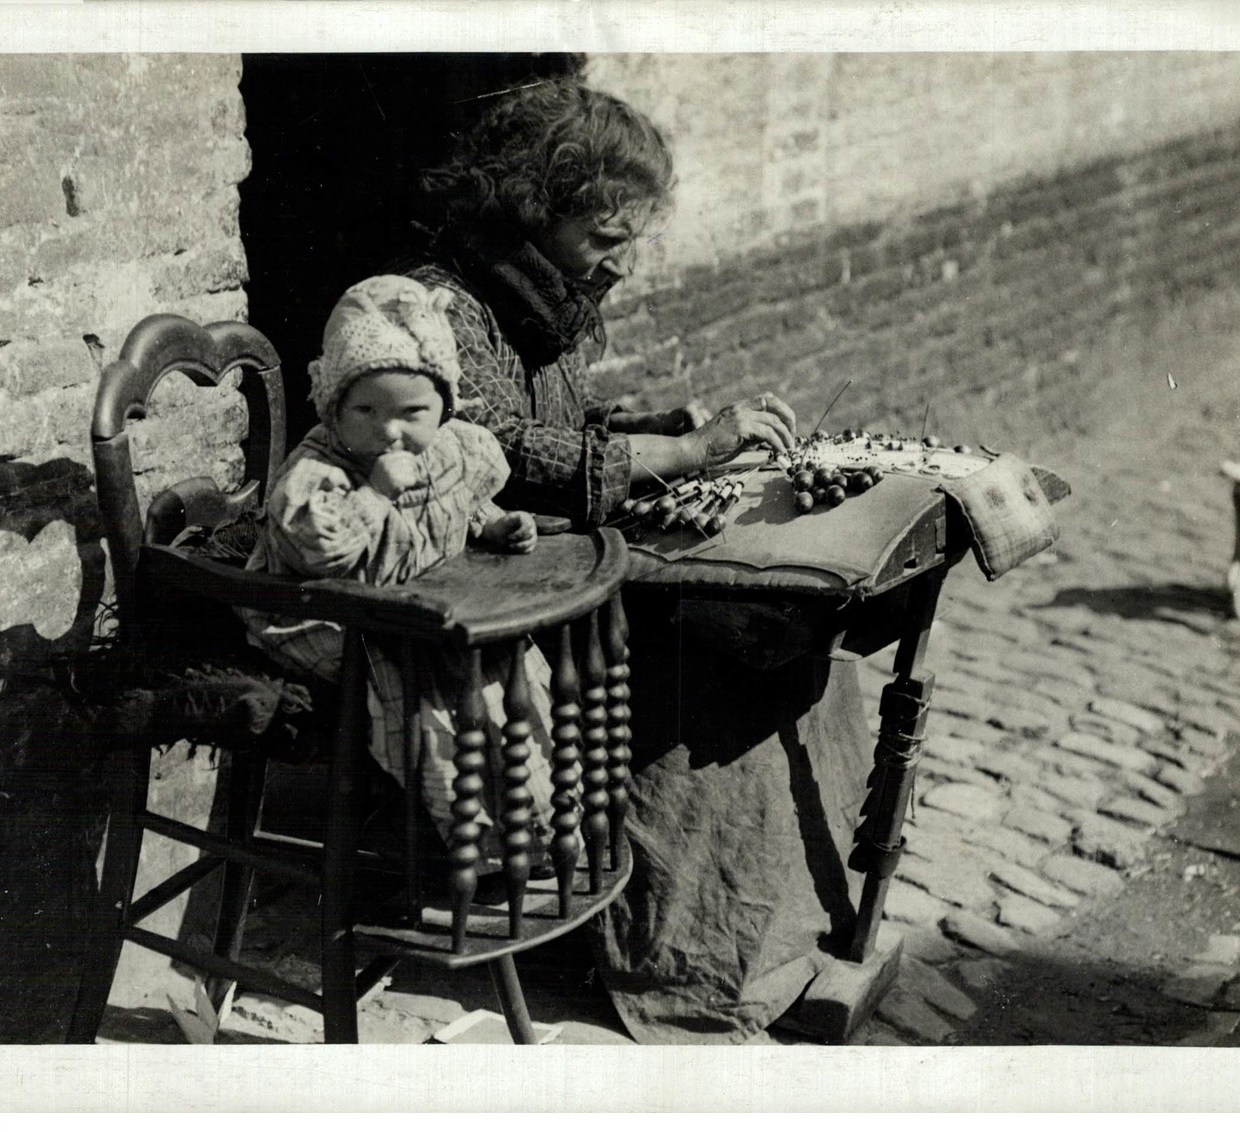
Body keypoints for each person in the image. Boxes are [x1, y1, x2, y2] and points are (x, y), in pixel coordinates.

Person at [380, 78, 874, 1044]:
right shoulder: (434, 305)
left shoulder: (532, 292)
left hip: (550, 557)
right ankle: (687, 967)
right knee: (723, 659)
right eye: (608, 236)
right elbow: (490, 450)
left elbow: (558, 425)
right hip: (481, 581)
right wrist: (685, 458)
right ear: (533, 209)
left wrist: (668, 429)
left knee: (794, 635)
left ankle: (779, 934)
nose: (626, 261)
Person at [239, 274, 556, 872]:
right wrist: (375, 495)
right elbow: (320, 553)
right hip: (331, 612)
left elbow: (454, 501)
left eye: (413, 411)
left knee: (510, 679)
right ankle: (461, 845)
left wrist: (489, 525)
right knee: (427, 708)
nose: (390, 431)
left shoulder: (448, 447)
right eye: (366, 409)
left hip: (419, 604)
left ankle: (530, 832)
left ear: (444, 406)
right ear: (334, 407)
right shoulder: (320, 471)